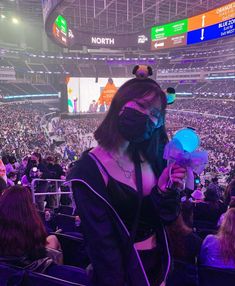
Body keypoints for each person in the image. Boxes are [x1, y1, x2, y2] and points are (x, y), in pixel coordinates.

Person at [67, 66, 186, 286]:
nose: (147, 117)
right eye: (141, 106)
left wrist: (163, 190)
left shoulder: (148, 156)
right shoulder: (87, 172)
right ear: (120, 104)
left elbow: (158, 218)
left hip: (159, 266)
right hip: (125, 274)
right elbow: (103, 249)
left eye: (155, 115)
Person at [0, 186, 62, 269]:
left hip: (6, 266)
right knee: (53, 240)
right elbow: (36, 252)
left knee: (52, 239)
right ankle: (57, 273)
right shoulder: (31, 224)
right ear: (28, 205)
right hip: (27, 268)